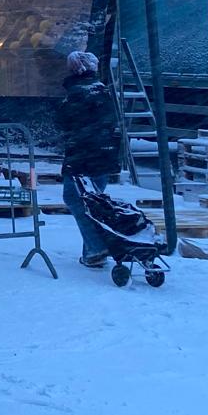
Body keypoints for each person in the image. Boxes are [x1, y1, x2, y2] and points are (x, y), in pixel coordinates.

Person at [57, 50, 123, 268]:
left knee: (74, 198)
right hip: (104, 154)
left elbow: (64, 122)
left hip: (82, 156)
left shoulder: (76, 93)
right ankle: (92, 255)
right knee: (94, 201)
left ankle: (96, 247)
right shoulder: (102, 90)